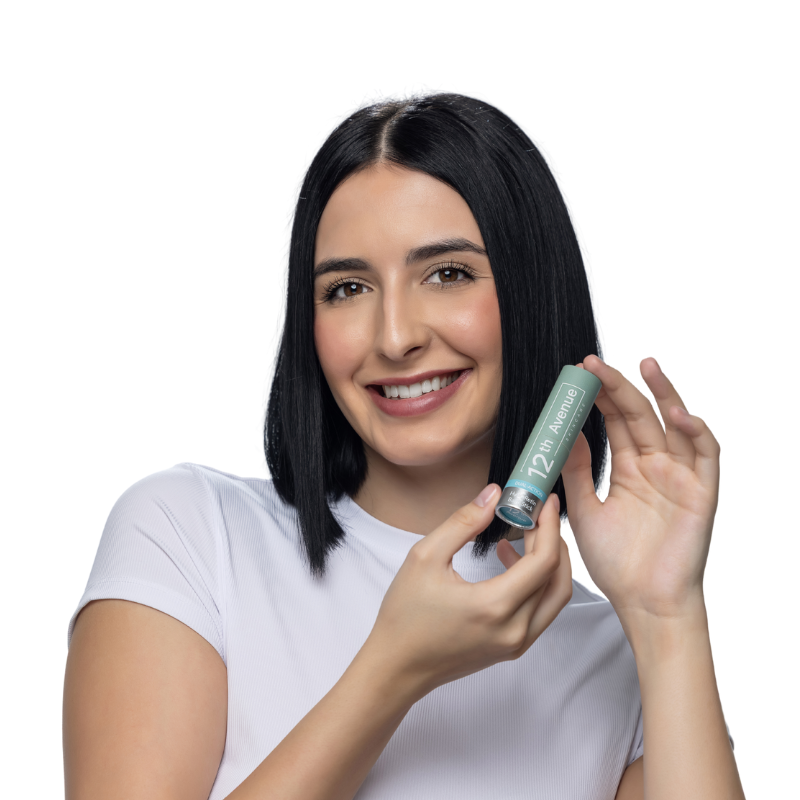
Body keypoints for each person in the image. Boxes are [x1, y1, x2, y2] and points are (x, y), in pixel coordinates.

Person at [63, 94, 744, 799]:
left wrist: (668, 617)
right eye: (347, 288)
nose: (394, 337)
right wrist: (394, 670)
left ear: (531, 291)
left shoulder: (618, 662)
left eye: (447, 273)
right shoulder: (189, 535)